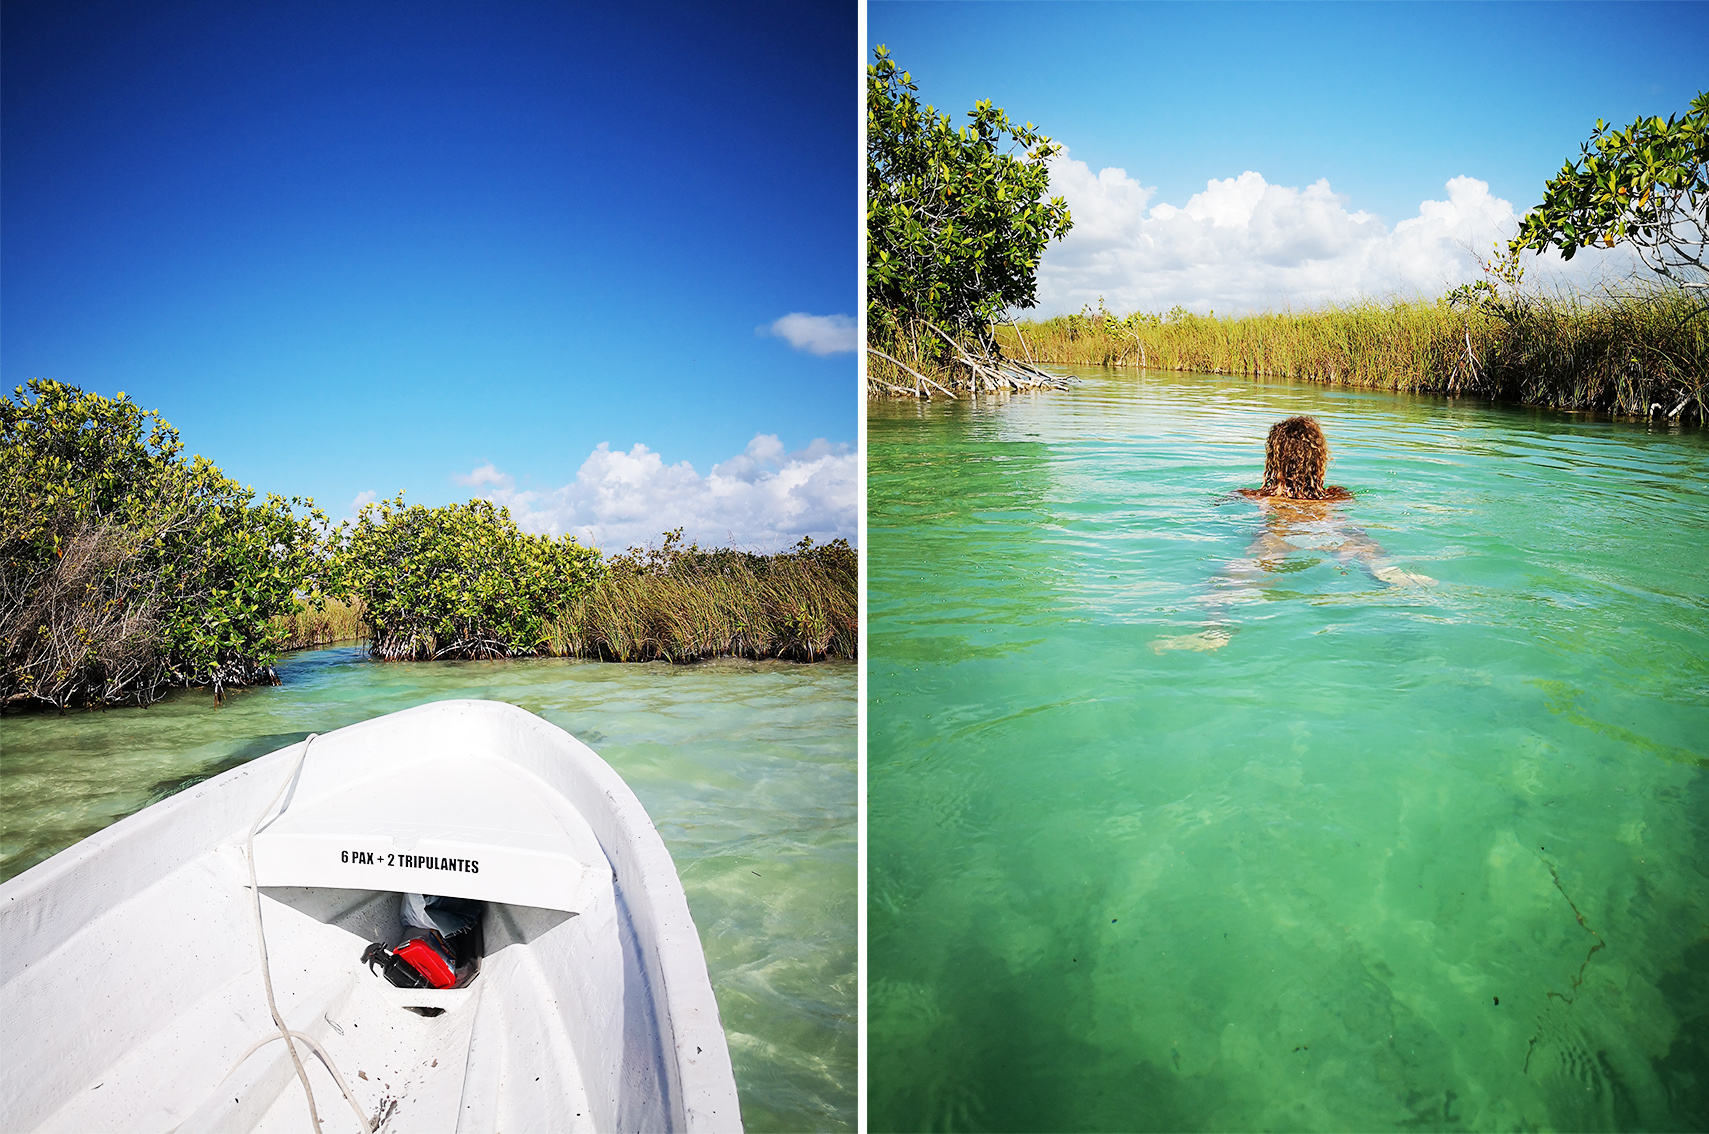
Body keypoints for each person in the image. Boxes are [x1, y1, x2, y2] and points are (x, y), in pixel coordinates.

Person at [1154, 415, 1433, 652]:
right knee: (1362, 544)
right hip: (1329, 530)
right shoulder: (1336, 496)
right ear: (1319, 459)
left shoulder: (1254, 496)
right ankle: (1402, 577)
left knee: (1220, 583)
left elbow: (1214, 511)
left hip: (1279, 536)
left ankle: (1215, 632)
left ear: (1273, 458)